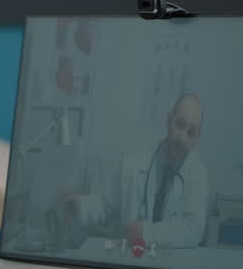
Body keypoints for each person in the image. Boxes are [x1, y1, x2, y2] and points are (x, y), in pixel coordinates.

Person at [69, 94, 209, 251]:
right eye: (180, 125)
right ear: (169, 120)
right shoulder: (133, 165)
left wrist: (147, 233)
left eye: (191, 132)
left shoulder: (197, 175)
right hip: (132, 262)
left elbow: (193, 230)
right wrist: (79, 207)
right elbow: (105, 204)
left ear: (197, 137)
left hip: (172, 266)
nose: (182, 138)